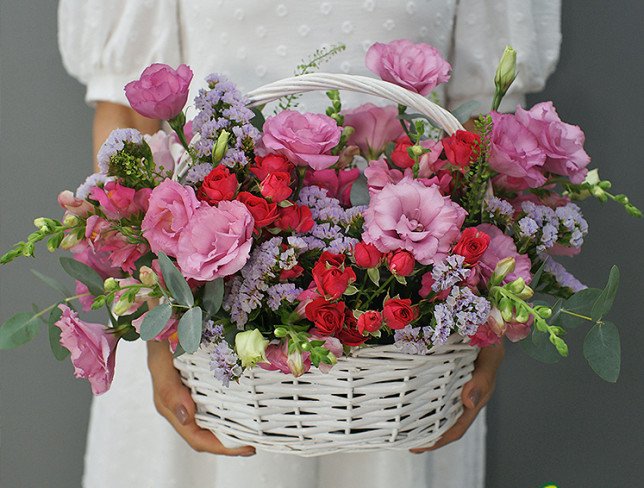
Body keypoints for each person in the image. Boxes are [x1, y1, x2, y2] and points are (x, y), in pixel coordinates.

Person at [58, 1, 561, 487]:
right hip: (206, 339)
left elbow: (489, 134)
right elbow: (129, 122)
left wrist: (491, 321)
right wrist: (160, 329)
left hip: (408, 357)